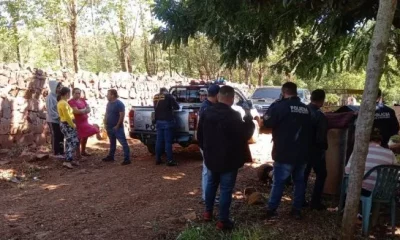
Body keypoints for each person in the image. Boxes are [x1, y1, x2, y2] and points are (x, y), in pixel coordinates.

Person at [198, 86, 255, 230]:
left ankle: (208, 213)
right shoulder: (234, 115)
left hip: (211, 158)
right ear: (231, 98)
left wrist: (207, 151)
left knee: (211, 184)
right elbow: (247, 134)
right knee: (225, 190)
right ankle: (223, 221)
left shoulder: (206, 112)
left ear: (218, 96)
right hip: (229, 160)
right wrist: (248, 114)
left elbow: (199, 136)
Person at [263, 82, 312, 219]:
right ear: (296, 92)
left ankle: (272, 209)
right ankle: (296, 210)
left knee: (279, 182)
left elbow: (267, 122)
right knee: (299, 181)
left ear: (283, 92)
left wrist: (274, 105)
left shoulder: (280, 106)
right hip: (302, 153)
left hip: (284, 152)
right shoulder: (306, 109)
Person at [345, 128, 395, 197]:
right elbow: (394, 171)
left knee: (346, 179)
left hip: (363, 190)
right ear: (380, 142)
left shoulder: (359, 151)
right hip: (383, 191)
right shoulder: (390, 153)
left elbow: (347, 171)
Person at [304, 89, 328, 210]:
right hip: (316, 150)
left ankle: (300, 200)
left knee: (303, 175)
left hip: (302, 149)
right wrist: (324, 148)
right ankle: (315, 201)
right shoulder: (320, 115)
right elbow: (321, 136)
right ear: (322, 100)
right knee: (322, 174)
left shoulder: (303, 111)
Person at [198, 84, 220, 203]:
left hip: (207, 144)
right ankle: (207, 197)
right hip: (208, 145)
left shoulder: (208, 106)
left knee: (209, 170)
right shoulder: (207, 108)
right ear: (217, 95)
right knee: (208, 171)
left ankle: (209, 195)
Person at [68, 88, 101, 157]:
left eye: (79, 93)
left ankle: (83, 151)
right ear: (73, 93)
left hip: (85, 121)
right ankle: (78, 154)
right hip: (77, 122)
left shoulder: (82, 100)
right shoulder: (71, 102)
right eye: (76, 93)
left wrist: (82, 110)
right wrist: (84, 110)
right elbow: (76, 111)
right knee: (78, 138)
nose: (78, 95)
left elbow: (89, 109)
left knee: (86, 135)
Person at [102, 89, 131, 165]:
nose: (107, 95)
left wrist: (117, 125)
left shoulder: (119, 104)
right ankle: (111, 156)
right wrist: (105, 123)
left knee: (123, 143)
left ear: (112, 95)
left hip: (117, 127)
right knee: (112, 142)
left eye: (108, 94)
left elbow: (122, 115)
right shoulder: (109, 103)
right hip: (109, 126)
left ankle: (127, 159)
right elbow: (106, 113)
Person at [153, 87, 180, 166]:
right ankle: (170, 160)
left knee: (159, 141)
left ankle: (158, 159)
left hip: (158, 121)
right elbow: (177, 107)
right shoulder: (169, 96)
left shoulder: (156, 97)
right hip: (168, 121)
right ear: (166, 91)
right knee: (168, 142)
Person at [57, 87, 80, 169]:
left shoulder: (63, 102)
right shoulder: (63, 103)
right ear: (67, 94)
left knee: (72, 141)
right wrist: (72, 125)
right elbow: (67, 116)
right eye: (69, 93)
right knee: (71, 142)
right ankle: (67, 160)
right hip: (67, 124)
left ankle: (70, 158)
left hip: (67, 124)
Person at [46, 80, 64, 159]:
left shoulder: (58, 96)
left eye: (60, 87)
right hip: (53, 120)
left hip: (60, 119)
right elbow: (51, 110)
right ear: (54, 88)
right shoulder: (50, 97)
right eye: (58, 87)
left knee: (61, 135)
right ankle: (56, 152)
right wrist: (59, 116)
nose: (59, 89)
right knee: (56, 135)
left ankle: (61, 151)